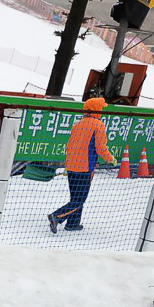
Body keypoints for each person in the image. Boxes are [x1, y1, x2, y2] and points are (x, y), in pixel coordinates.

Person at [47, 97, 116, 233]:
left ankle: (72, 223)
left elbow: (70, 145)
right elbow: (100, 147)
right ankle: (56, 216)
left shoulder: (78, 124)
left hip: (72, 166)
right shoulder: (98, 125)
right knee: (80, 199)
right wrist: (111, 159)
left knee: (75, 197)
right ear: (97, 109)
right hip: (85, 168)